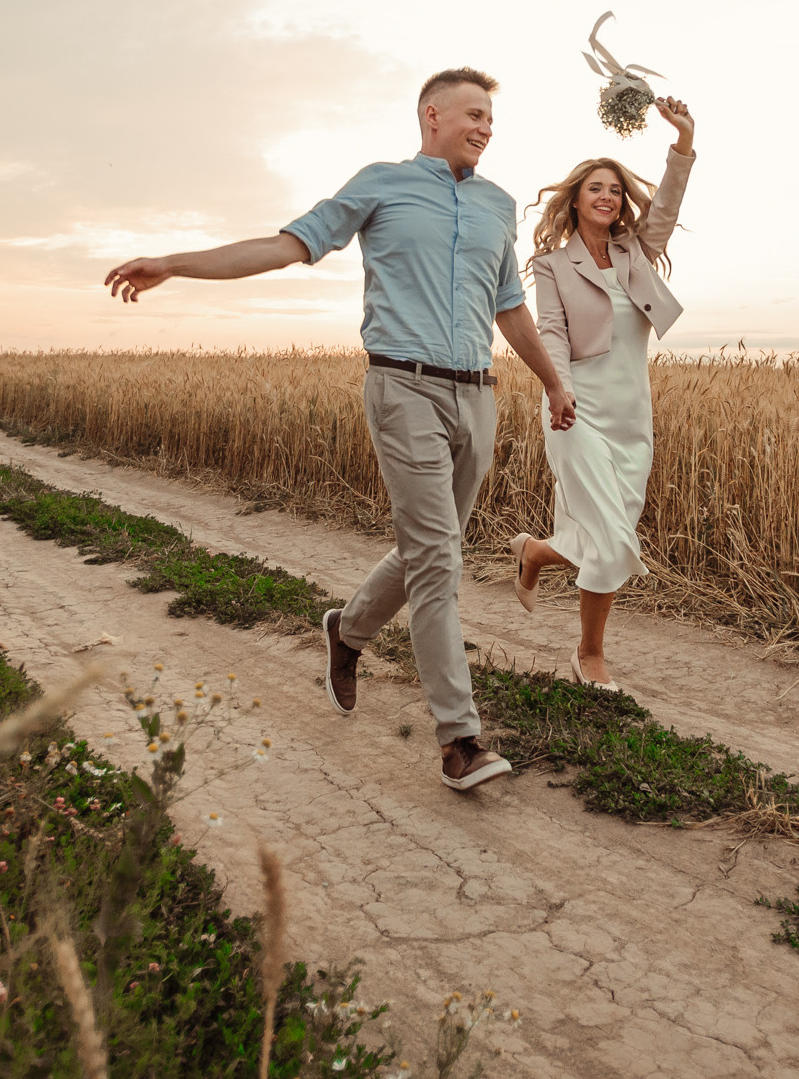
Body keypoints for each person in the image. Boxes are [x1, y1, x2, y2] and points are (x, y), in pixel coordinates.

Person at [103, 68, 577, 793]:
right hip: (403, 386)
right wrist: (175, 263)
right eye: (474, 115)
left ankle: (346, 633)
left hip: (476, 397)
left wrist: (550, 380)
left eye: (491, 120)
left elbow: (509, 305)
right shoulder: (381, 184)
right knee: (438, 561)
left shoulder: (497, 206)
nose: (486, 128)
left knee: (431, 546)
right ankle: (461, 740)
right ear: (432, 115)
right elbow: (287, 244)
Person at [509, 95, 695, 691]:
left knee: (606, 530)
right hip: (575, 406)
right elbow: (553, 333)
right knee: (613, 537)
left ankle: (537, 552)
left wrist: (682, 143)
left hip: (630, 409)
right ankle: (590, 655)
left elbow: (663, 208)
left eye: (615, 189)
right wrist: (557, 390)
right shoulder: (550, 264)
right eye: (596, 188)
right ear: (576, 199)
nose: (608, 196)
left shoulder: (635, 251)